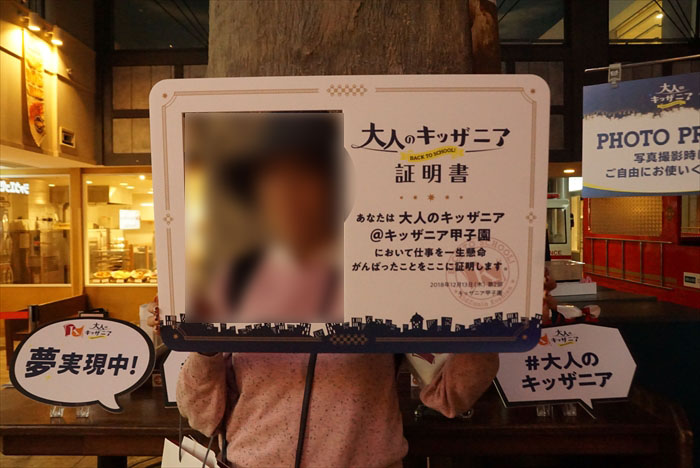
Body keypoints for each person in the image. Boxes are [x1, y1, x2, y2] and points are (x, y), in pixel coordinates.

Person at [155, 115, 500, 467]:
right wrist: (204, 346)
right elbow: (199, 414)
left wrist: (487, 320)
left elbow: (450, 395)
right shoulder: (236, 280)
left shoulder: (385, 276)